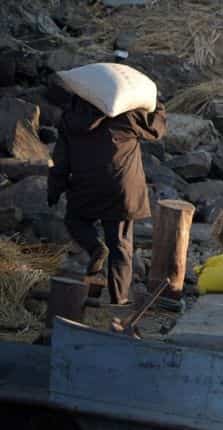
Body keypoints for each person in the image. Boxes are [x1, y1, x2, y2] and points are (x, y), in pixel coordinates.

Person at [47, 90, 166, 305]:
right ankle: (119, 300)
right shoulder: (127, 115)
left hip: (85, 187)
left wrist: (54, 191)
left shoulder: (70, 118)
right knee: (120, 245)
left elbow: (61, 161)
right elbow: (156, 131)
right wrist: (158, 107)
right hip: (121, 189)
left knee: (75, 220)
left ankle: (95, 247)